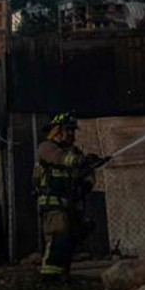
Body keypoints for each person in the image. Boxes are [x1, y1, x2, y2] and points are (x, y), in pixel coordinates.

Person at [34, 112, 100, 278]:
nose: (71, 134)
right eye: (68, 130)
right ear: (57, 130)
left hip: (71, 204)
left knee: (71, 240)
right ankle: (50, 278)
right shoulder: (46, 148)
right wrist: (80, 160)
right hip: (53, 204)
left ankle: (63, 275)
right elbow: (61, 159)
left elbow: (88, 174)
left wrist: (87, 181)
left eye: (73, 130)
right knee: (58, 238)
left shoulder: (74, 151)